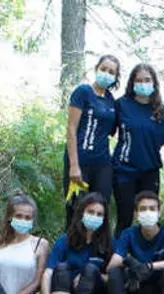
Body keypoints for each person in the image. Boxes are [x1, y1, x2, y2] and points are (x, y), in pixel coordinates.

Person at [43, 192, 112, 294]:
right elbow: (48, 273)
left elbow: (114, 278)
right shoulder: (64, 241)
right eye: (90, 212)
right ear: (81, 213)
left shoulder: (109, 244)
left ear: (104, 218)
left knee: (90, 269)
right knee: (62, 267)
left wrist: (90, 276)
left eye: (99, 214)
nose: (94, 217)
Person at [113, 63, 164, 233]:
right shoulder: (121, 105)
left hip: (150, 171)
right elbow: (106, 130)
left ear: (154, 83)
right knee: (124, 217)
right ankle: (118, 256)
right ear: (132, 83)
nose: (143, 83)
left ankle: (146, 258)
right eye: (138, 80)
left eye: (147, 80)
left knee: (148, 219)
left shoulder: (163, 112)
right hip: (123, 170)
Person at [67, 55, 120, 212]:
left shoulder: (111, 99)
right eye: (104, 69)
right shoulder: (83, 92)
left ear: (115, 77)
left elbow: (111, 131)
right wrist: (74, 166)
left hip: (103, 163)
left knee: (100, 209)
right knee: (77, 210)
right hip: (80, 161)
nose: (106, 73)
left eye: (111, 72)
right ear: (96, 69)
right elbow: (71, 128)